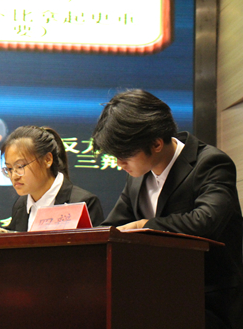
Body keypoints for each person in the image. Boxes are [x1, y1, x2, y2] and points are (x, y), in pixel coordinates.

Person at [92, 89, 243, 329]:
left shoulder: (211, 163)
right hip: (156, 298)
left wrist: (145, 226)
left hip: (208, 302)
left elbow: (205, 222)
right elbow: (113, 226)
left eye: (124, 155)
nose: (119, 164)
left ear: (156, 143)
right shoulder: (136, 177)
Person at [0, 125, 104, 235]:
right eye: (9, 169)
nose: (14, 175)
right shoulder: (21, 206)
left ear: (47, 160)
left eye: (20, 166)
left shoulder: (83, 203)